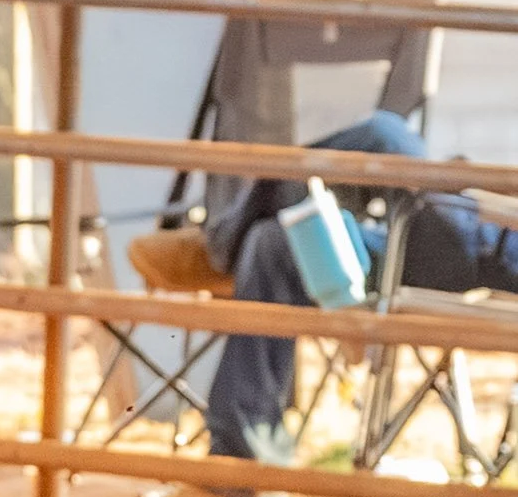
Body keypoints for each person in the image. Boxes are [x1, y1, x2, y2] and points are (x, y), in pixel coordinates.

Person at [189, 109, 518, 464]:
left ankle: (230, 236)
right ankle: (240, 460)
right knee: (275, 244)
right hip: (447, 234)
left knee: (383, 133)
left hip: (478, 245)